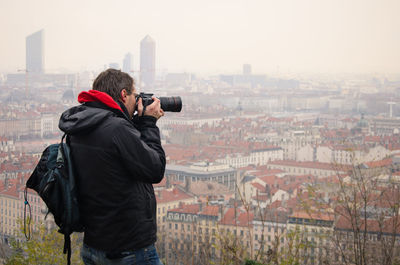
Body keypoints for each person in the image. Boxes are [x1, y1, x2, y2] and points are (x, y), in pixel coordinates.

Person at [59, 68, 165, 265]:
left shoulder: (80, 125)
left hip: (94, 245)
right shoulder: (117, 129)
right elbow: (155, 169)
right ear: (123, 95)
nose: (137, 101)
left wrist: (132, 122)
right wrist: (149, 123)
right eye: (135, 95)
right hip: (129, 249)